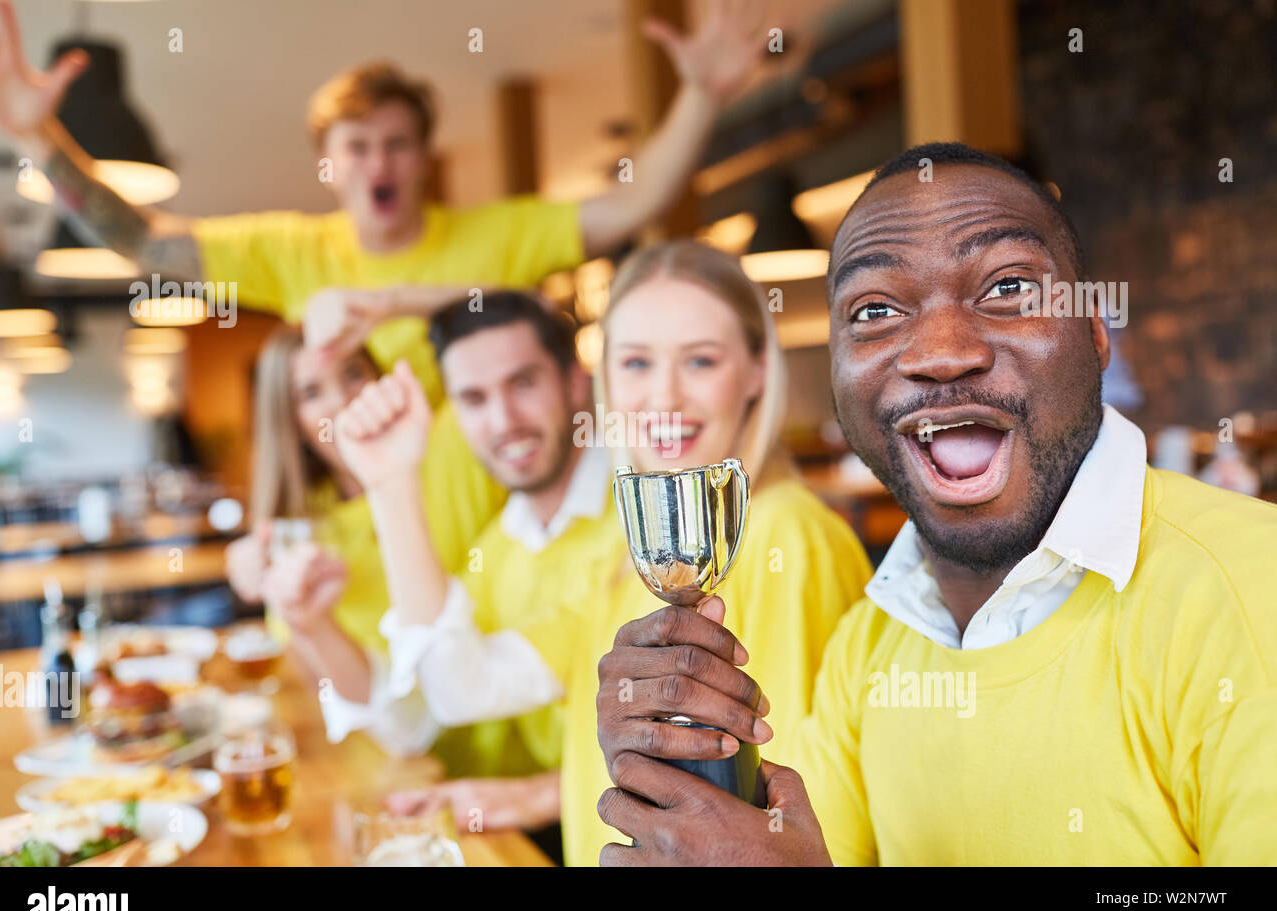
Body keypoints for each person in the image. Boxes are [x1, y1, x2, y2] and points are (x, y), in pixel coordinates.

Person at [592, 143, 1277, 866]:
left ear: (1096, 330)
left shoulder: (1250, 584)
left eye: (1008, 288)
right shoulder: (869, 647)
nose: (941, 352)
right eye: (877, 308)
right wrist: (674, 759)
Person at [0, 0, 766, 588]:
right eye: (357, 147)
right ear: (329, 161)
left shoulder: (497, 235)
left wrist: (700, 94)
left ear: (423, 157)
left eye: (397, 144)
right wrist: (33, 141)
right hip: (377, 552)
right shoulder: (290, 249)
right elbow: (146, 242)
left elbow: (633, 205)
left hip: (513, 551)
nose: (378, 164)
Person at [337, 240, 874, 865]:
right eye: (637, 364)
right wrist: (390, 481)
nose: (663, 397)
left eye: (700, 361)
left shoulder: (787, 533)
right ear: (606, 380)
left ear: (757, 371)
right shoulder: (626, 557)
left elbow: (790, 811)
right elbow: (461, 689)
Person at [323, 291, 623, 809]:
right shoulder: (503, 544)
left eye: (523, 383)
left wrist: (392, 485)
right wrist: (312, 622)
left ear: (575, 380)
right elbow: (418, 717)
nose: (504, 420)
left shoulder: (640, 520)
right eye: (474, 399)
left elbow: (462, 691)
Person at [223, 328, 502, 759]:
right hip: (405, 760)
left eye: (354, 373)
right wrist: (305, 618)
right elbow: (350, 701)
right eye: (311, 392)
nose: (342, 400)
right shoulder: (298, 531)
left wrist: (382, 305)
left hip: (514, 740)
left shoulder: (447, 446)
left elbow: (505, 307)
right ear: (291, 421)